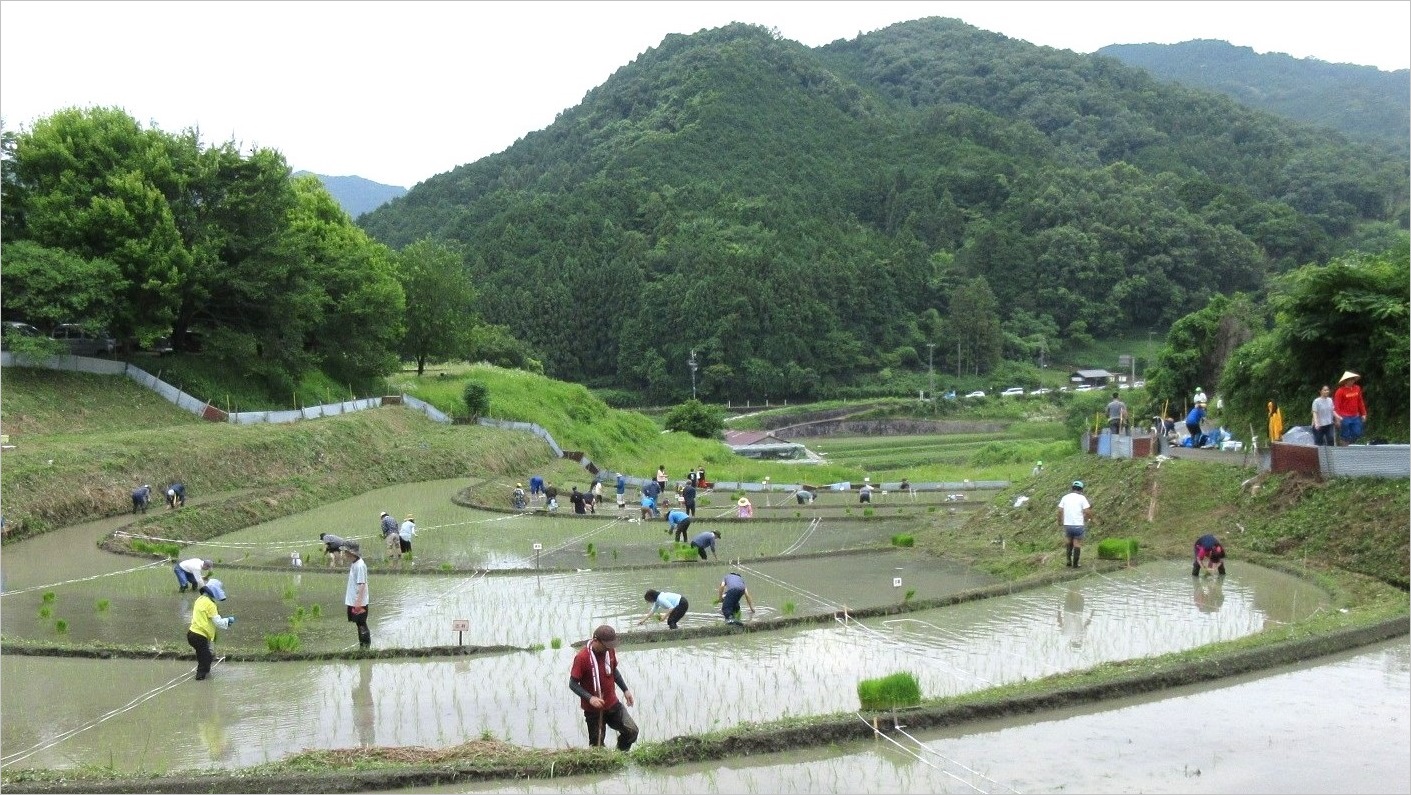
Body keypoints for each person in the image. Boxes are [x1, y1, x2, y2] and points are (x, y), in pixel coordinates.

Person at [567, 625, 638, 750]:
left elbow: (613, 671)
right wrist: (590, 698)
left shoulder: (609, 651)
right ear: (596, 641)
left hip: (612, 703)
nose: (608, 649)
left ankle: (621, 756)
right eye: (606, 645)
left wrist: (625, 690)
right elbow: (572, 684)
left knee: (631, 731)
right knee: (597, 747)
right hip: (593, 710)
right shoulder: (582, 658)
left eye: (610, 646)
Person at [186, 578, 233, 681]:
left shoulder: (200, 600)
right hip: (200, 635)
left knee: (202, 654)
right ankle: (200, 677)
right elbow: (218, 622)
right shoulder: (210, 604)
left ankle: (204, 672)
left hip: (191, 633)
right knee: (207, 657)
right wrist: (228, 620)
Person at [1058, 480, 1092, 568]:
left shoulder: (1065, 497)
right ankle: (1075, 564)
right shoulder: (1082, 498)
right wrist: (1089, 518)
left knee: (1068, 541)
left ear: (1072, 488)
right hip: (1078, 525)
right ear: (1081, 489)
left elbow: (1060, 510)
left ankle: (1068, 561)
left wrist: (1059, 521)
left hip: (1067, 525)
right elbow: (1087, 511)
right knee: (1077, 543)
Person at [343, 541, 371, 648]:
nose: (345, 554)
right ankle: (362, 647)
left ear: (352, 553)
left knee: (361, 624)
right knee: (359, 624)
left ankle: (365, 648)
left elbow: (362, 584)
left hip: (359, 601)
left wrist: (358, 603)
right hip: (354, 600)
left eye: (346, 552)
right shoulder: (354, 564)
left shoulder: (360, 565)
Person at [1333, 371, 1368, 445]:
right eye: (1350, 379)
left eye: (1353, 379)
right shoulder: (1340, 391)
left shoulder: (1357, 388)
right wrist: (1338, 419)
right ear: (1346, 381)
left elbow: (1360, 402)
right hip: (1344, 417)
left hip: (1355, 416)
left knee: (1357, 432)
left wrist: (1364, 414)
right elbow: (1337, 406)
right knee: (1345, 435)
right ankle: (1344, 448)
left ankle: (1350, 444)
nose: (1352, 381)